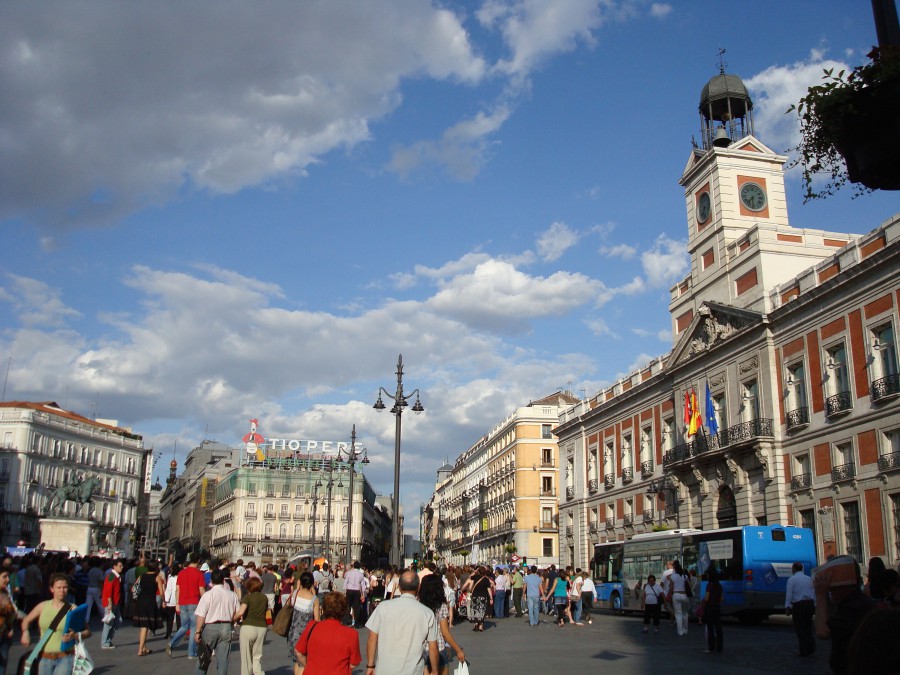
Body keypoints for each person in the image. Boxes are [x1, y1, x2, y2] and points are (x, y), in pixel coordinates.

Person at [364, 570, 439, 675]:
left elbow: (372, 639)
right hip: (412, 670)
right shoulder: (427, 613)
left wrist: (370, 665)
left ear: (399, 587)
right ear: (418, 587)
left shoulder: (383, 607)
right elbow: (433, 646)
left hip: (385, 669)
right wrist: (435, 671)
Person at [814, 556, 877, 674]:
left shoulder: (854, 606)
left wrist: (820, 595)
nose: (830, 591)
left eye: (832, 588)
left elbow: (822, 632)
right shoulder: (858, 602)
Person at [20, 573, 91, 675]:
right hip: (44, 658)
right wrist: (25, 632)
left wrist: (74, 635)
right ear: (52, 589)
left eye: (65, 587)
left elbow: (87, 631)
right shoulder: (42, 606)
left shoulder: (73, 608)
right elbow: (26, 621)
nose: (62, 590)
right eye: (59, 587)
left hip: (65, 658)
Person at [295, 592, 361, 674]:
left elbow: (299, 652)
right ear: (343, 611)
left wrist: (307, 665)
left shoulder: (312, 627)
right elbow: (354, 663)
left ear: (324, 609)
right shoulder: (351, 634)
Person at [194, 568, 240, 675]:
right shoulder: (231, 595)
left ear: (211, 580)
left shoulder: (208, 594)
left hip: (211, 627)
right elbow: (238, 612)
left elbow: (201, 615)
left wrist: (197, 631)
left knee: (203, 659)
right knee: (223, 660)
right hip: (227, 627)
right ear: (223, 580)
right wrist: (231, 619)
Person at [418, 574, 465, 675]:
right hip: (438, 647)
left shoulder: (418, 604)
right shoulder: (441, 606)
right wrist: (458, 649)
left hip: (421, 649)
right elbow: (445, 632)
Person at [167, 553, 207, 659]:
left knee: (185, 626)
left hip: (182, 602)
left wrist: (177, 603)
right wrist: (206, 602)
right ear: (198, 561)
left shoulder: (181, 573)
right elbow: (201, 590)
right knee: (194, 627)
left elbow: (177, 589)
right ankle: (191, 652)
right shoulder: (199, 574)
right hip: (194, 602)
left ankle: (172, 643)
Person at [234, 576, 268, 675]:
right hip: (262, 627)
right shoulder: (264, 597)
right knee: (257, 656)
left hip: (248, 626)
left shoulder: (247, 597)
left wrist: (231, 619)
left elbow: (241, 612)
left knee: (246, 657)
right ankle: (259, 673)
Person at [288, 571, 320, 675]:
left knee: (297, 661)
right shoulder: (314, 599)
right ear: (312, 584)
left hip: (293, 632)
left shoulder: (296, 594)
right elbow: (317, 620)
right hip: (306, 635)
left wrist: (297, 587)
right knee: (303, 662)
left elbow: (290, 604)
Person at [133, 560, 165, 655]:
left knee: (144, 626)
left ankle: (144, 647)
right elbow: (161, 592)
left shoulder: (142, 576)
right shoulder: (157, 577)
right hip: (150, 602)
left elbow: (133, 588)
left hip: (140, 601)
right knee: (145, 626)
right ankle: (140, 649)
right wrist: (163, 601)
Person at [784, 561, 816, 657]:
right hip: (809, 603)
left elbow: (789, 594)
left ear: (794, 569)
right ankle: (811, 647)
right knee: (808, 627)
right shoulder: (809, 579)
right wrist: (815, 604)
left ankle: (803, 650)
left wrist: (787, 607)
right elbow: (813, 592)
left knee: (800, 628)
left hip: (799, 605)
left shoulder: (791, 580)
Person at [100, 558, 124, 649]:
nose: (122, 567)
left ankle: (108, 640)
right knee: (109, 622)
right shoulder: (111, 576)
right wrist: (109, 603)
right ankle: (105, 642)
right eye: (120, 566)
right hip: (111, 602)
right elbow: (108, 591)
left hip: (115, 602)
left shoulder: (116, 576)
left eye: (122, 566)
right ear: (114, 566)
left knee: (118, 620)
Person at [460, 567, 492, 632]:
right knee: (481, 611)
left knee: (475, 610)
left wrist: (475, 571)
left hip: (475, 596)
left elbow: (470, 579)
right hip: (483, 597)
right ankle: (481, 626)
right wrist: (491, 598)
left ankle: (476, 623)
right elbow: (489, 589)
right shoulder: (486, 579)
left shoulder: (475, 577)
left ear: (479, 572)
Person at [0, 568, 19, 675]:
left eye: (8, 576)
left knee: (2, 668)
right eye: (4, 576)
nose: (8, 579)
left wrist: (11, 627)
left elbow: (12, 611)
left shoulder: (6, 592)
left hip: (5, 634)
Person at [701, 567, 723, 653]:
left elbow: (706, 598)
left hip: (710, 608)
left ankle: (711, 646)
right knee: (718, 628)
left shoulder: (709, 586)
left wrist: (703, 601)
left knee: (710, 628)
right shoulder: (719, 586)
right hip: (717, 607)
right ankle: (720, 647)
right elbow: (721, 599)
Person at [668, 560, 690, 636]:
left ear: (674, 567)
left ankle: (680, 631)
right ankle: (686, 630)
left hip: (676, 595)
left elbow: (671, 587)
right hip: (684, 595)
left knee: (678, 614)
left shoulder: (673, 576)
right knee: (685, 613)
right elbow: (689, 585)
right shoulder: (685, 576)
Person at [163, 563, 182, 641]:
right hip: (178, 599)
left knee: (169, 618)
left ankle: (168, 633)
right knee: (178, 618)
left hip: (171, 600)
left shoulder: (170, 578)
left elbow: (168, 590)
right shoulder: (181, 578)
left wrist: (165, 600)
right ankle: (179, 633)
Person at [344, 562, 366, 627]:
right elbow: (363, 585)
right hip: (357, 591)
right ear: (359, 567)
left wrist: (345, 591)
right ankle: (356, 623)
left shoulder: (349, 573)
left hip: (349, 590)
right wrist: (362, 594)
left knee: (348, 606)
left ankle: (345, 622)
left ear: (353, 566)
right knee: (356, 607)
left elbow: (346, 582)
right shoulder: (361, 574)